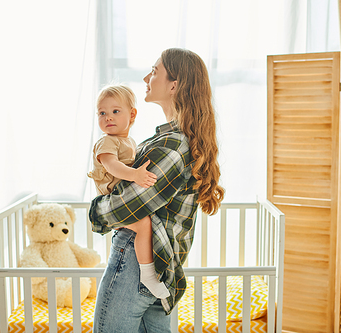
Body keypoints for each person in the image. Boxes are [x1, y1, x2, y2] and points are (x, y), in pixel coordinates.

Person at [89, 48, 225, 333]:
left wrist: (95, 210)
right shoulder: (168, 139)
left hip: (136, 265)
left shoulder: (172, 146)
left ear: (174, 85)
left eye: (154, 71)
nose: (146, 77)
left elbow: (125, 206)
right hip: (159, 266)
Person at [87, 84, 169, 299]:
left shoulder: (129, 141)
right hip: (112, 200)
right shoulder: (106, 141)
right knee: (143, 224)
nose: (108, 118)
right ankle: (148, 275)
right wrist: (135, 176)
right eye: (102, 113)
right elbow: (112, 165)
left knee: (148, 222)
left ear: (132, 115)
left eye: (115, 111)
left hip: (124, 194)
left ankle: (153, 268)